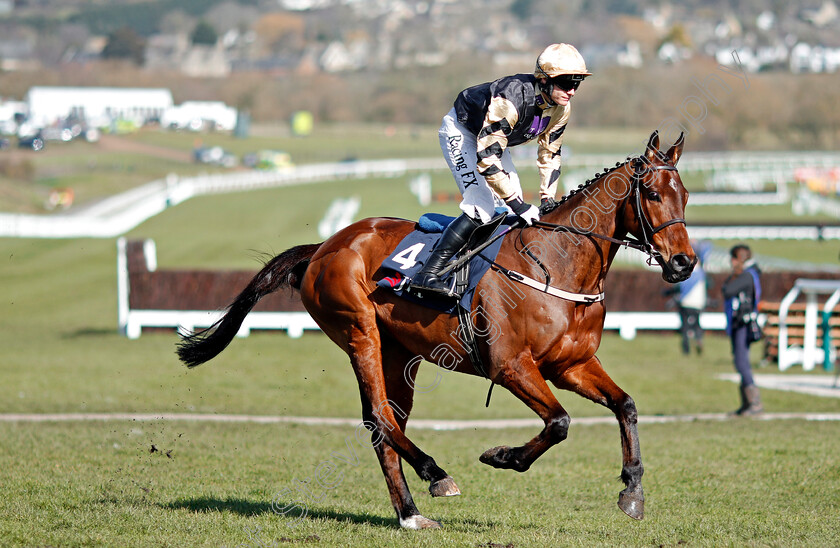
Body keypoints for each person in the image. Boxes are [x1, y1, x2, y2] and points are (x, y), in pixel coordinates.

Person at [409, 43, 590, 297]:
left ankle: (484, 271)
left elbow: (550, 153)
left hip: (493, 143)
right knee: (482, 206)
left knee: (505, 210)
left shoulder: (561, 107)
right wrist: (520, 205)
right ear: (545, 80)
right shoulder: (510, 99)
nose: (571, 91)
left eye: (577, 83)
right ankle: (427, 275)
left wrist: (547, 198)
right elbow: (486, 159)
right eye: (566, 83)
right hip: (463, 134)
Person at [722, 244, 763, 416]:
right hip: (740, 324)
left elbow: (727, 290)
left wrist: (734, 275)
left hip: (743, 325)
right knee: (740, 361)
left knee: (741, 362)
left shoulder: (747, 275)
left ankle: (754, 403)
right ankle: (747, 404)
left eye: (733, 258)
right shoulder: (749, 275)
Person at [668, 240, 711, 355]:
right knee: (697, 324)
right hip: (699, 303)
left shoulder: (687, 271)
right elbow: (709, 285)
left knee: (685, 326)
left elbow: (678, 286)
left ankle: (686, 348)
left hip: (686, 302)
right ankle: (698, 339)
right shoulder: (702, 273)